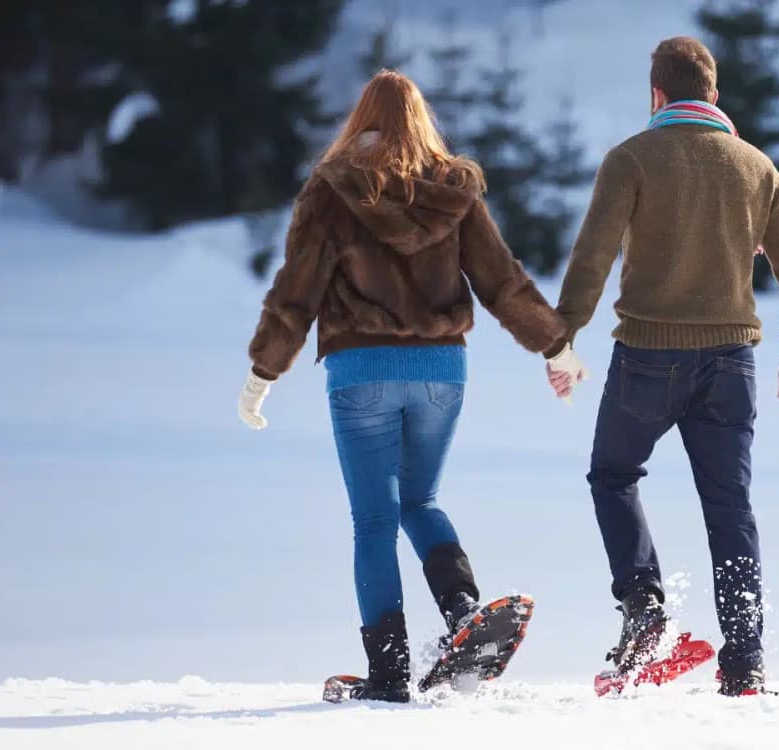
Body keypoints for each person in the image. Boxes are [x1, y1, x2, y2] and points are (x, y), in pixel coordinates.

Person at [238, 71, 565, 702]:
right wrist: (556, 343)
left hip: (361, 371)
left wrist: (263, 370)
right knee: (420, 500)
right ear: (422, 121)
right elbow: (501, 281)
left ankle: (388, 674)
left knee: (374, 520)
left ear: (359, 118)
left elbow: (296, 291)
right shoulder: (453, 190)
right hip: (442, 371)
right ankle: (464, 610)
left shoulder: (332, 190)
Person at [544, 36, 779, 696]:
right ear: (715, 96)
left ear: (657, 97)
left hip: (648, 358)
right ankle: (746, 661)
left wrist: (563, 339)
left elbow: (592, 257)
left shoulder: (631, 159)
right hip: (733, 364)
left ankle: (645, 615)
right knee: (730, 507)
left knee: (613, 474)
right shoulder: (756, 168)